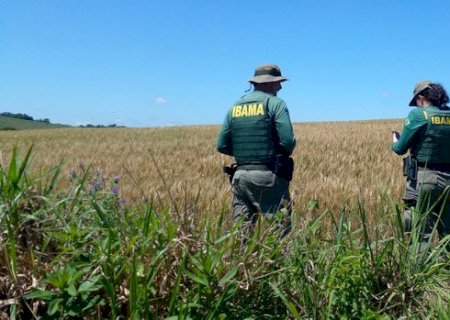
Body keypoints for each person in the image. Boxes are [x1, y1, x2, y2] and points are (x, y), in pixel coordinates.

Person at [216, 64, 296, 239]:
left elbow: (221, 145)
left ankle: (242, 265)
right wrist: (273, 153)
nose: (280, 87)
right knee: (281, 233)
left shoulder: (235, 106)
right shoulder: (275, 103)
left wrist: (246, 154)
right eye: (277, 83)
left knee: (241, 234)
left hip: (239, 177)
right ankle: (281, 266)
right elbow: (288, 141)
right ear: (267, 83)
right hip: (268, 175)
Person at [392, 80, 450, 249]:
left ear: (422, 98)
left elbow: (400, 148)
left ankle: (419, 273)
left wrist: (395, 140)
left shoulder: (419, 115)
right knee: (448, 230)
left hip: (425, 178)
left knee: (421, 229)